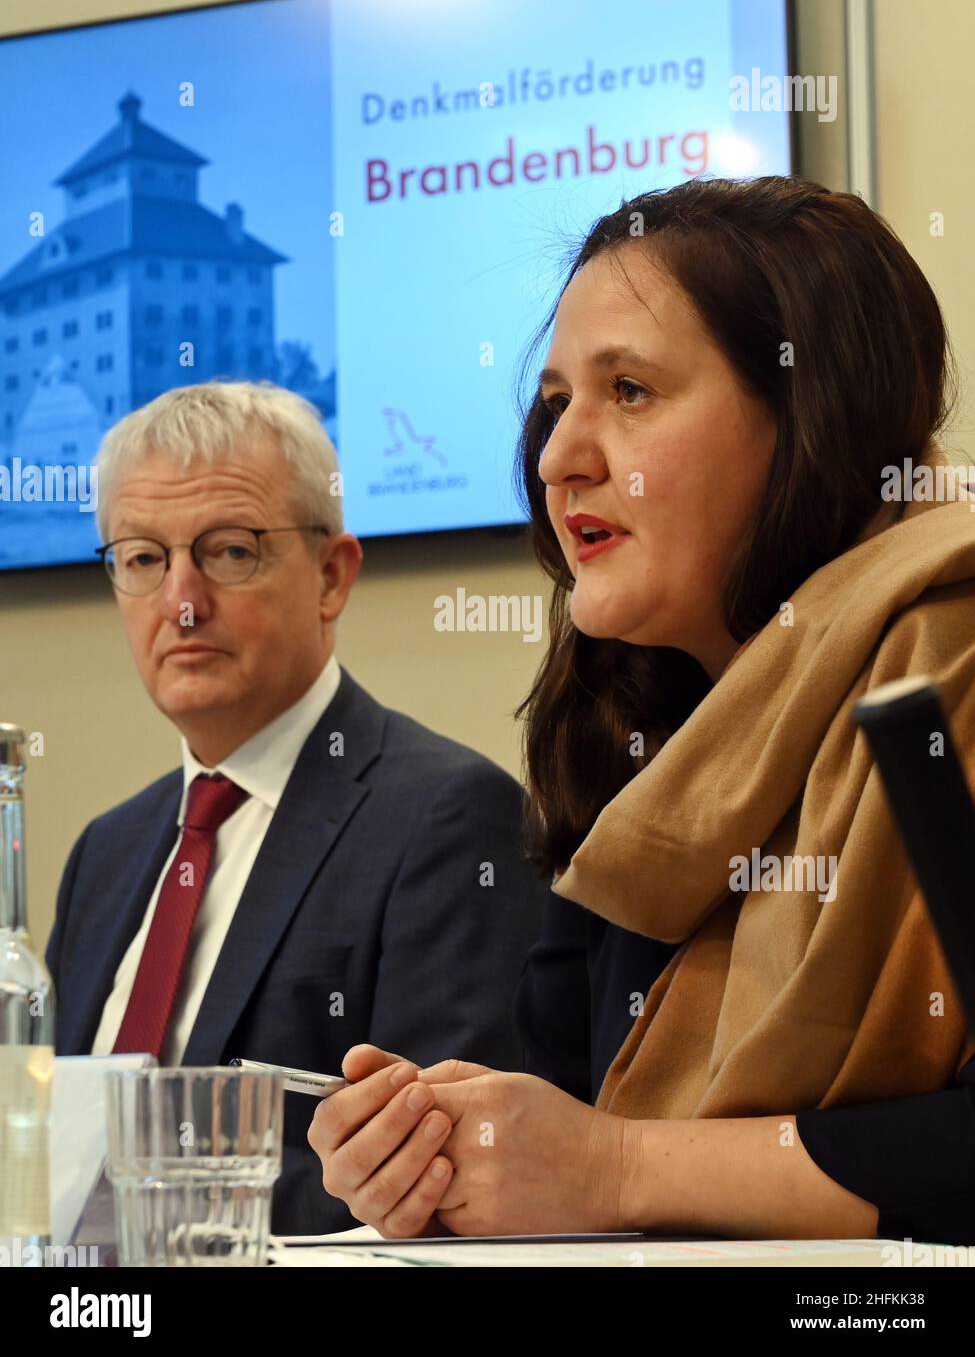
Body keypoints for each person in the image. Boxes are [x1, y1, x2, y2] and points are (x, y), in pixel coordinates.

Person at [307, 175, 975, 1243]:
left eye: (630, 391)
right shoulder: (629, 741)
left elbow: (612, 1164)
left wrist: (618, 1168)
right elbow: (571, 1125)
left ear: (810, 415)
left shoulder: (958, 672)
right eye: (557, 401)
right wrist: (445, 1154)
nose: (561, 457)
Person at [45, 380, 546, 1236]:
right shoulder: (108, 848)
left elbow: (443, 1174)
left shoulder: (446, 817)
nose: (182, 601)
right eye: (142, 558)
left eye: (230, 551)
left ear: (330, 575)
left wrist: (143, 1220)